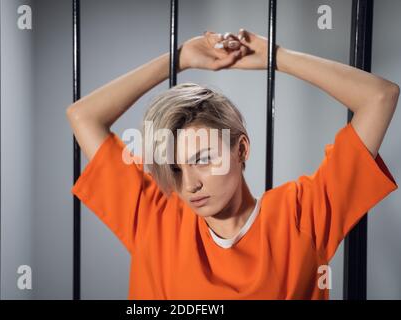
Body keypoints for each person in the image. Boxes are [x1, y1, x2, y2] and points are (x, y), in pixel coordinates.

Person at [66, 28, 399, 299]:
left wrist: (276, 56)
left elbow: (379, 97)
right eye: (178, 168)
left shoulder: (302, 215)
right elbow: (83, 116)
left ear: (241, 149)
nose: (190, 183)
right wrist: (179, 57)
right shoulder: (155, 217)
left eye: (204, 159)